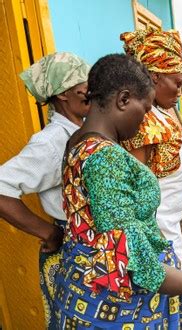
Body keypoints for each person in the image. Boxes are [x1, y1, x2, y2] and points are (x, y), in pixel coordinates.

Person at [54, 54, 182, 328]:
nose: (145, 120)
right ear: (123, 99)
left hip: (84, 282)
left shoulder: (77, 141)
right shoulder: (106, 160)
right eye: (145, 110)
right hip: (115, 306)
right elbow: (135, 263)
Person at [0, 52, 89, 328]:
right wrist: (49, 231)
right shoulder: (51, 143)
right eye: (84, 85)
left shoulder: (84, 130)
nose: (93, 91)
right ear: (63, 94)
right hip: (71, 250)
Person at [120, 27, 182, 271]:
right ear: (155, 77)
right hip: (156, 235)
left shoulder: (160, 114)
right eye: (177, 83)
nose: (180, 91)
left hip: (169, 226)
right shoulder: (143, 121)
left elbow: (161, 167)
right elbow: (134, 186)